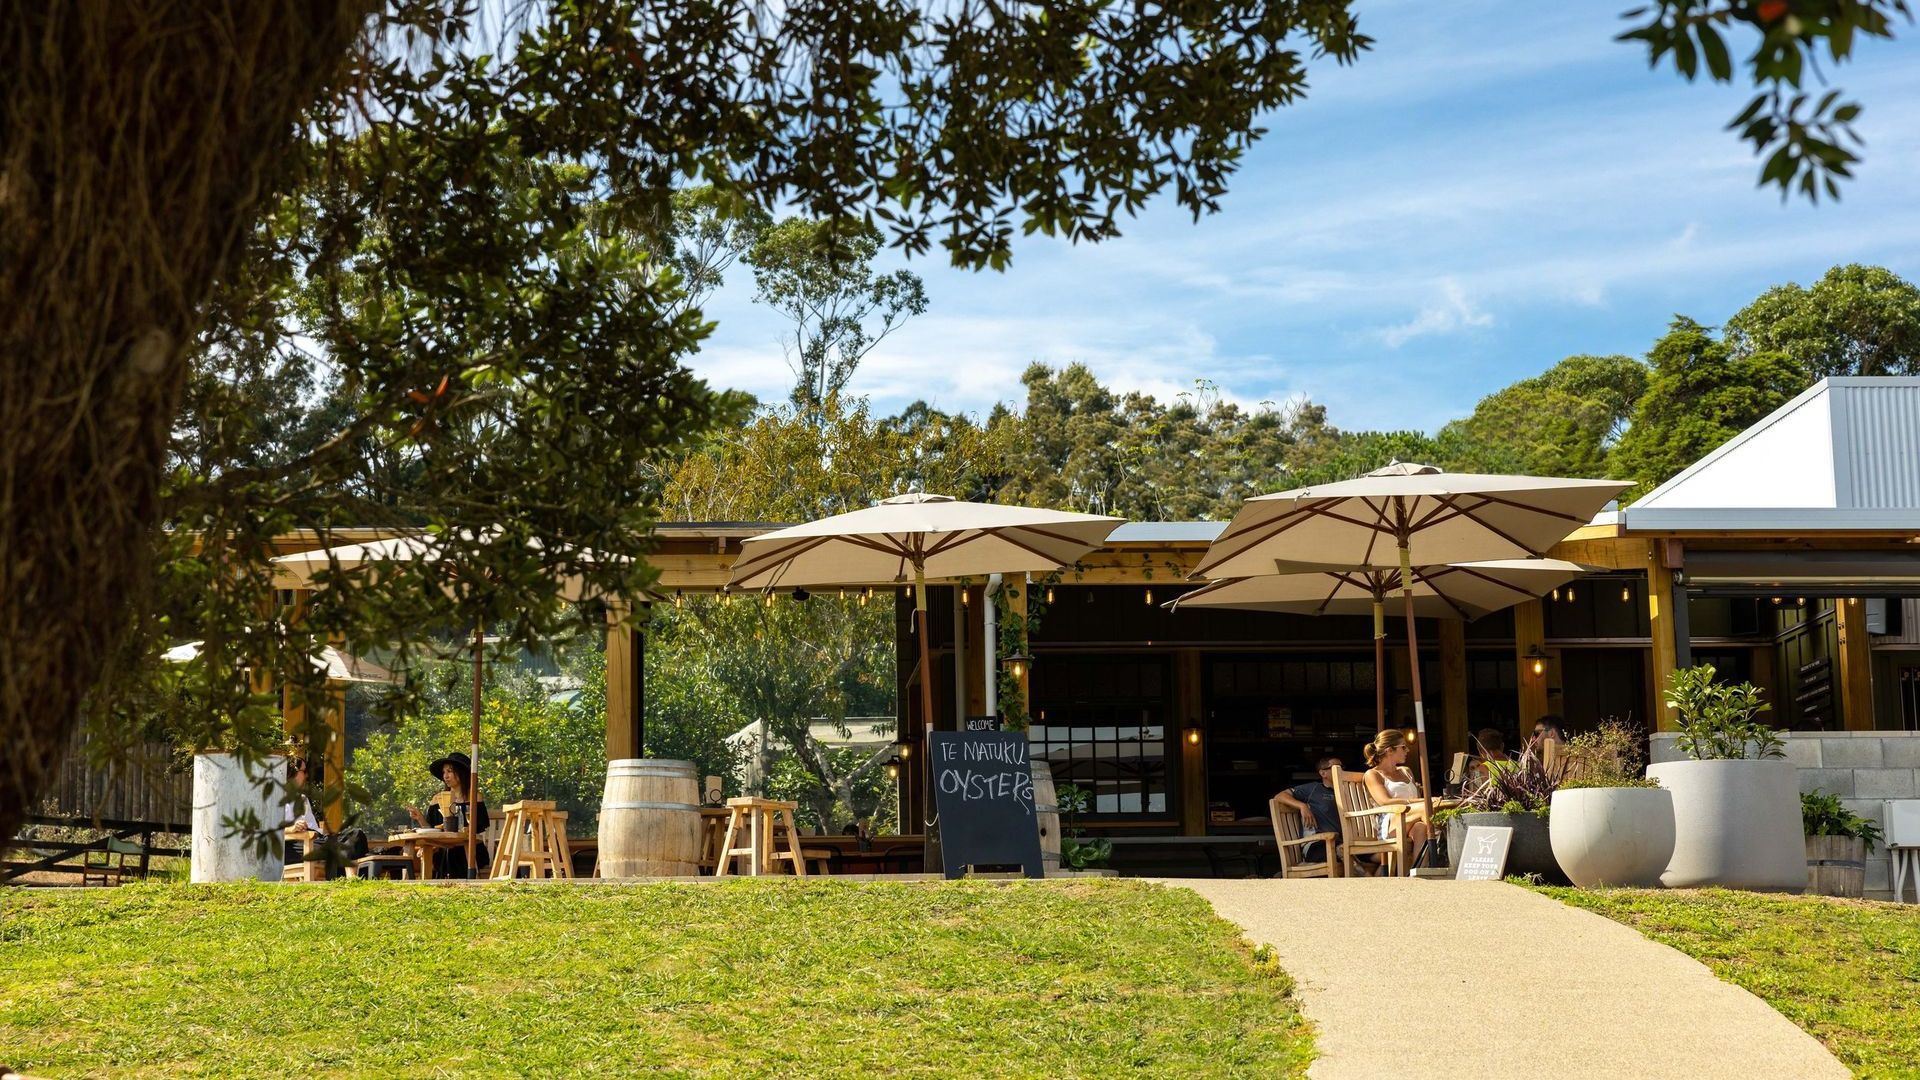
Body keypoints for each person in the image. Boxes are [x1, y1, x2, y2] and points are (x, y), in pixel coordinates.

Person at [408, 752, 490, 878]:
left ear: (461, 773)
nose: (445, 776)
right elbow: (430, 829)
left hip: (469, 848)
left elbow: (479, 826)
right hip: (443, 848)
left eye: (450, 771)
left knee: (454, 852)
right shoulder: (438, 799)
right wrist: (419, 817)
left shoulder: (474, 797)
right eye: (443, 772)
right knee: (444, 852)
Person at [1362, 729, 1431, 868]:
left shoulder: (1406, 771)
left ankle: (1418, 873)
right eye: (1403, 747)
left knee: (1421, 828)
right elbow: (1384, 801)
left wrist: (1423, 802)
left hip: (1413, 819)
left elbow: (1417, 798)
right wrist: (1423, 802)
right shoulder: (1373, 774)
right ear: (1389, 750)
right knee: (1427, 808)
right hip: (1390, 823)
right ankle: (1442, 851)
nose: (1407, 750)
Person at [1275, 757, 1342, 863]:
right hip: (1317, 845)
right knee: (1343, 852)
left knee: (1370, 854)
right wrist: (1302, 806)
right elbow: (1280, 796)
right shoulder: (1313, 789)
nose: (1341, 770)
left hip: (1341, 842)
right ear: (1323, 773)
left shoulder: (1347, 791)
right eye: (1336, 767)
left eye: (1342, 767)